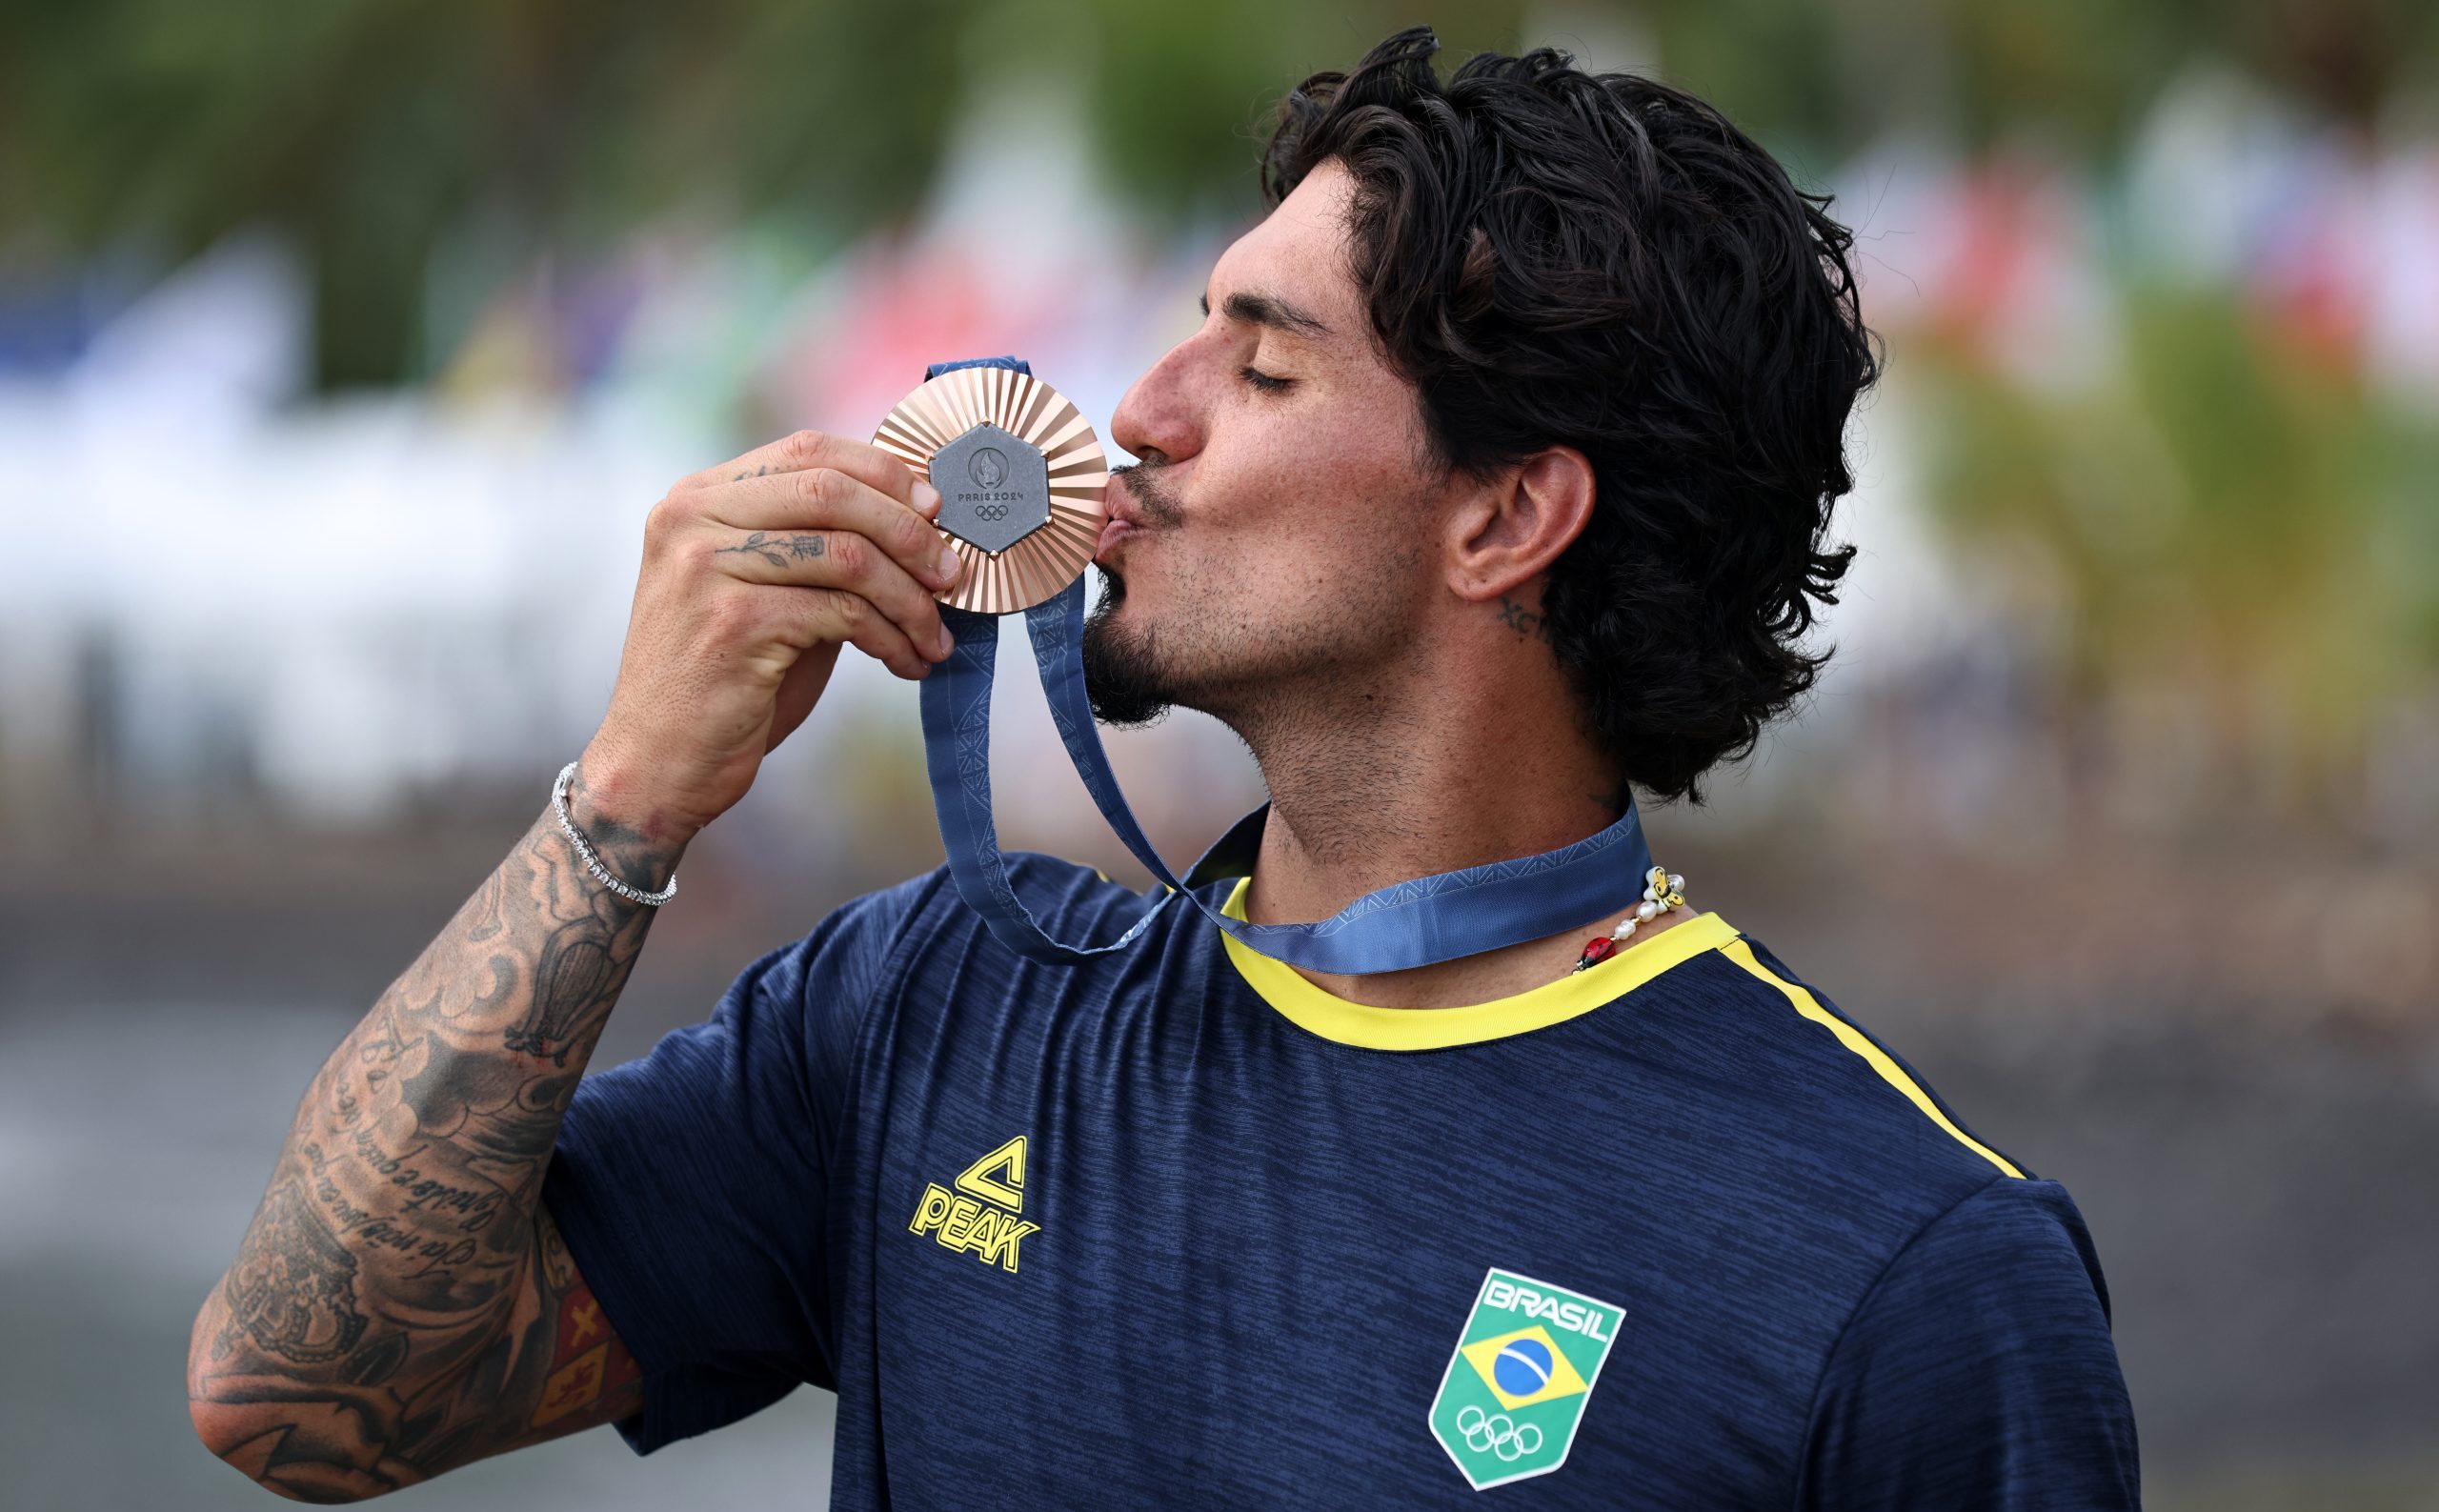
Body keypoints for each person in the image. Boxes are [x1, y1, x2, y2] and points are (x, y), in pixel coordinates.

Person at [187, 25, 2138, 1509]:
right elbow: (296, 1391)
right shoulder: (934, 1012)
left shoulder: (1910, 1270)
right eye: (1190, 328)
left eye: (1263, 365)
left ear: (1505, 517)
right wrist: (625, 801)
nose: (1138, 409)